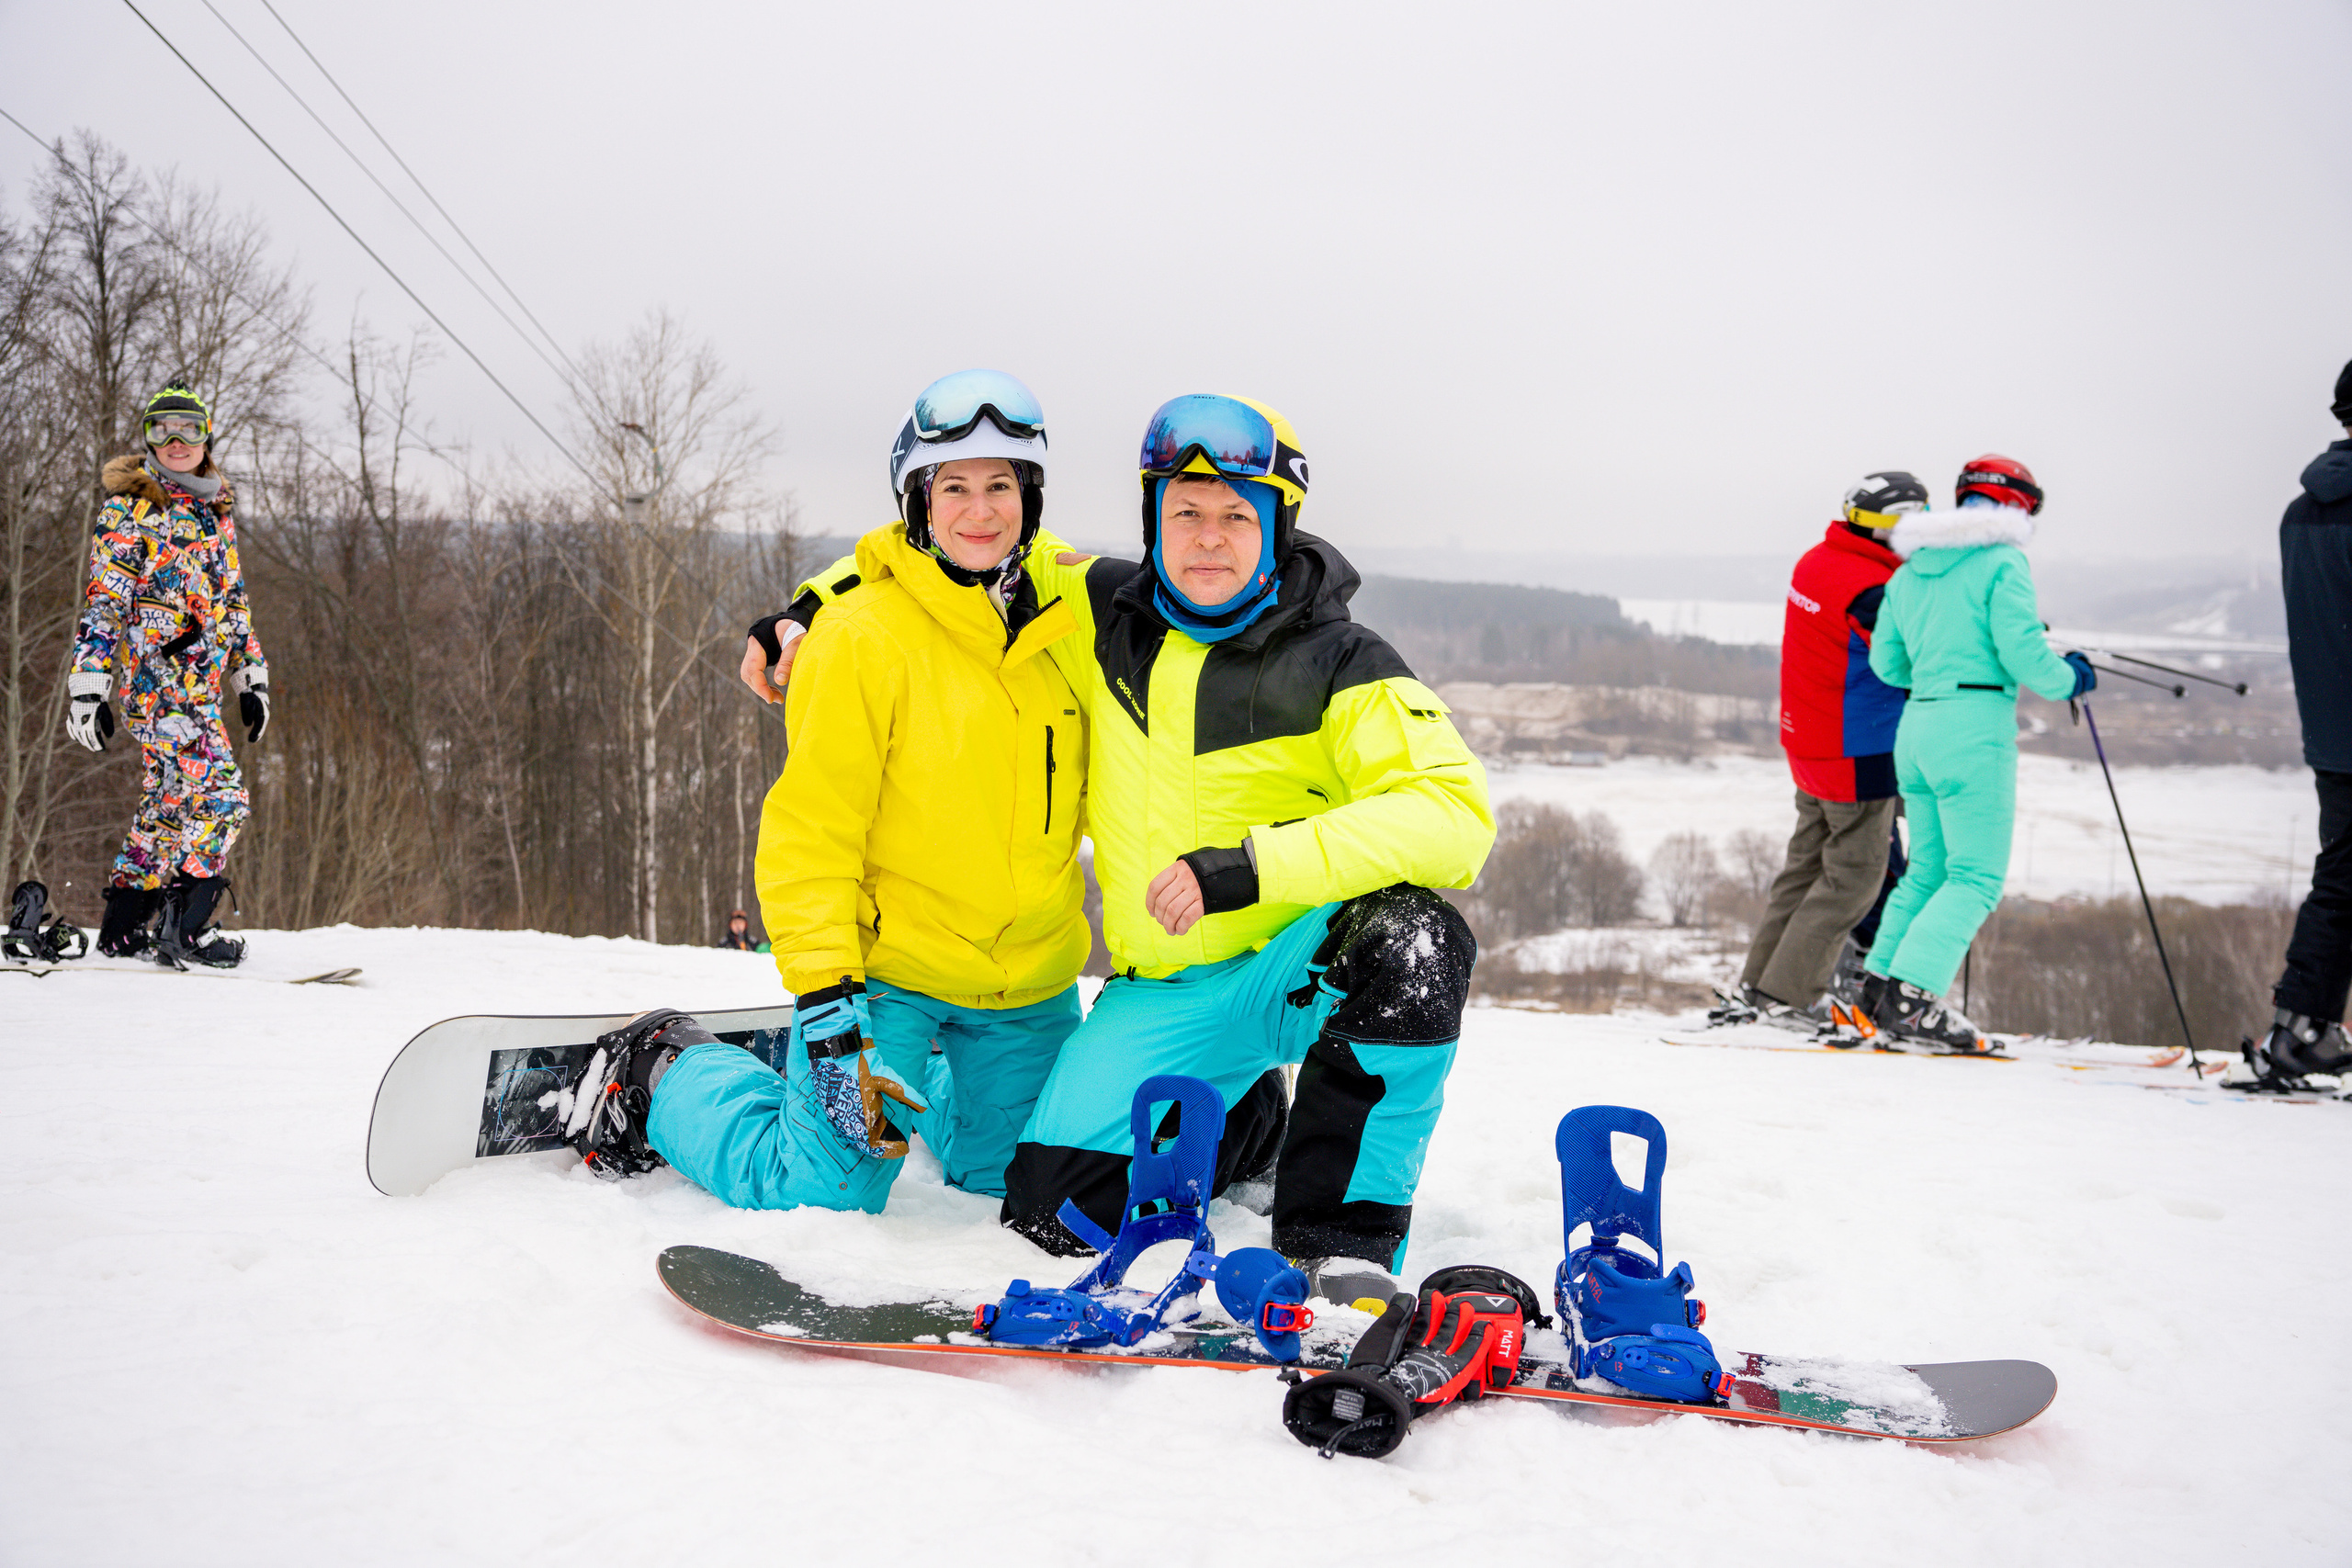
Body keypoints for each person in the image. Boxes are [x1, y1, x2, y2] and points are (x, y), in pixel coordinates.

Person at [754, 393, 1496, 1292]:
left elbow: (1454, 816)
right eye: (1184, 512)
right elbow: (944, 556)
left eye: (1237, 515)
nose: (1208, 537)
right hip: (1167, 995)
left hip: (1295, 965)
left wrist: (1252, 866)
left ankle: (1338, 1244)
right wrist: (803, 609)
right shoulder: (1099, 607)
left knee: (1415, 940)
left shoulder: (1342, 659)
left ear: (1279, 525)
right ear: (1153, 519)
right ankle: (1246, 1114)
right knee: (1054, 1214)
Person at [567, 369, 1090, 1213]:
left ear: (1030, 496)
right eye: (953, 486)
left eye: (1001, 484)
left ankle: (933, 1093)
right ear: (918, 500)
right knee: (820, 1191)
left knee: (1025, 1194)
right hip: (887, 979)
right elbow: (810, 835)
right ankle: (664, 1066)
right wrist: (827, 1002)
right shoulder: (857, 637)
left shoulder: (1071, 619)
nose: (980, 509)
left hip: (1024, 985)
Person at [1859, 455, 2095, 1051]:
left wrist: (1939, 664)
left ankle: (1876, 988)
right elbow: (2023, 657)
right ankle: (1912, 1002)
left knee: (1928, 872)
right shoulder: (2003, 562)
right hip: (1973, 731)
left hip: (1917, 728)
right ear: (2013, 506)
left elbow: (1888, 664)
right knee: (1977, 877)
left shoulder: (1908, 571)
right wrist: (2072, 677)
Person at [66, 380, 270, 970]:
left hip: (201, 688)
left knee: (168, 801)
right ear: (148, 439)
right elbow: (104, 603)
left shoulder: (214, 508)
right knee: (225, 800)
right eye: (161, 429)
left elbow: (232, 599)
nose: (175, 441)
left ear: (207, 438)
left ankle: (125, 928)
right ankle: (187, 928)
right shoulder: (131, 510)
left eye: (188, 428)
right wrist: (89, 686)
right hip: (157, 690)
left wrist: (249, 677)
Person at [1736, 471, 1920, 1026]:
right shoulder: (1873, 589)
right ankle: (1790, 998)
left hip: (1809, 742)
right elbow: (1909, 659)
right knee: (1852, 879)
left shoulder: (1817, 562)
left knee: (1804, 868)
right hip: (1857, 750)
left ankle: (1759, 986)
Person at [2250, 360, 2352, 1081]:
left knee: (2342, 878)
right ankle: (2301, 1030)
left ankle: (2304, 1029)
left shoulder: (2302, 510)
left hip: (2333, 730)